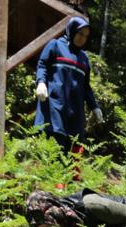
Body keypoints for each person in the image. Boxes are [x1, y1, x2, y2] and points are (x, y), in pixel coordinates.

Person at [34, 16, 103, 154]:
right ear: (72, 30)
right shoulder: (55, 45)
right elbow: (42, 65)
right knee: (55, 150)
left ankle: (71, 177)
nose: (82, 38)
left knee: (75, 149)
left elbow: (86, 86)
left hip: (75, 112)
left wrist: (94, 107)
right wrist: (41, 82)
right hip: (55, 106)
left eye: (86, 36)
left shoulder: (84, 58)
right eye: (80, 33)